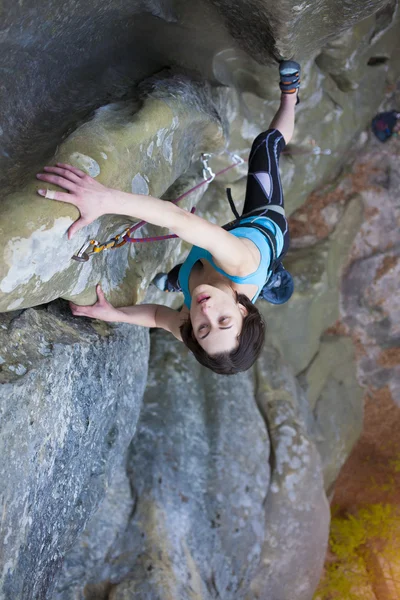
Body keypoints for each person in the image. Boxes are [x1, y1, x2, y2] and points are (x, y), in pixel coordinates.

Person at [36, 61, 301, 375]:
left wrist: (113, 314)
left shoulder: (193, 327)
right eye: (224, 320)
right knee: (265, 145)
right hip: (264, 229)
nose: (206, 312)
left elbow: (157, 318)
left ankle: (178, 281)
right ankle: (291, 97)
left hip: (216, 264)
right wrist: (103, 198)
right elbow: (178, 220)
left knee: (178, 279)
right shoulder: (242, 263)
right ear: (243, 309)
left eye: (203, 329)